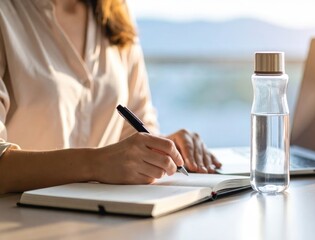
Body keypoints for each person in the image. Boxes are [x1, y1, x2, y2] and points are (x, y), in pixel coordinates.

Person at [0, 0, 221, 194]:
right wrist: (95, 164)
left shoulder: (115, 11)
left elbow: (137, 123)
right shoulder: (7, 12)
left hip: (107, 220)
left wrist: (162, 149)